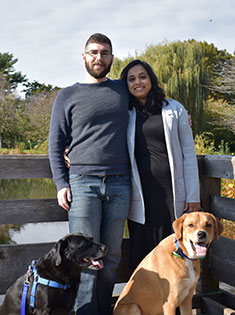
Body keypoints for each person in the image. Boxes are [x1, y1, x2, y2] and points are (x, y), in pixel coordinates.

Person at [49, 33, 133, 315]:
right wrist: (62, 182)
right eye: (94, 52)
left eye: (105, 53)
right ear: (84, 56)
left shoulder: (122, 90)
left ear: (112, 57)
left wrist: (178, 116)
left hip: (120, 183)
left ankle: (102, 310)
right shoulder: (67, 95)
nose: (100, 57)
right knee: (83, 259)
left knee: (111, 258)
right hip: (83, 185)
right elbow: (55, 144)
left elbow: (151, 104)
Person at [120, 59, 201, 271]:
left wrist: (193, 196)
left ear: (151, 79)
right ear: (126, 84)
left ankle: (172, 303)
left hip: (172, 192)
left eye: (142, 76)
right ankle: (144, 302)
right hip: (140, 193)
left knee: (174, 251)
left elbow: (188, 153)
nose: (138, 82)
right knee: (142, 250)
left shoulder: (174, 109)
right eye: (131, 79)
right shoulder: (123, 112)